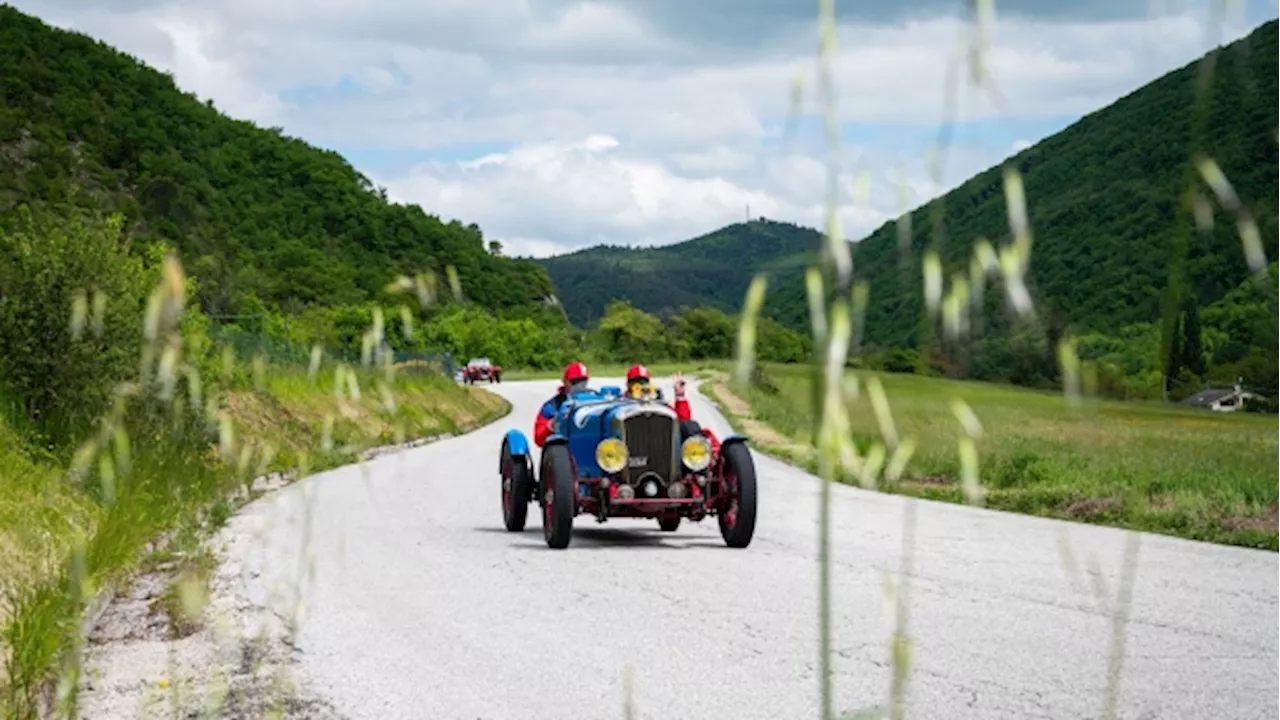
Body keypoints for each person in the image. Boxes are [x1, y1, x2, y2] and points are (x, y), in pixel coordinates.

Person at [624, 365, 720, 453]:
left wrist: (680, 396)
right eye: (636, 383)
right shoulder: (621, 404)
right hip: (628, 448)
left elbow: (683, 420)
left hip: (661, 446)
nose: (641, 386)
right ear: (628, 386)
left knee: (691, 426)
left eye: (644, 382)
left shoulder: (659, 404)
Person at [534, 361, 590, 447]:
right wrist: (552, 424)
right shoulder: (551, 406)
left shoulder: (594, 401)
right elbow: (538, 438)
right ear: (565, 381)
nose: (579, 386)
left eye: (583, 382)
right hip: (562, 452)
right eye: (575, 382)